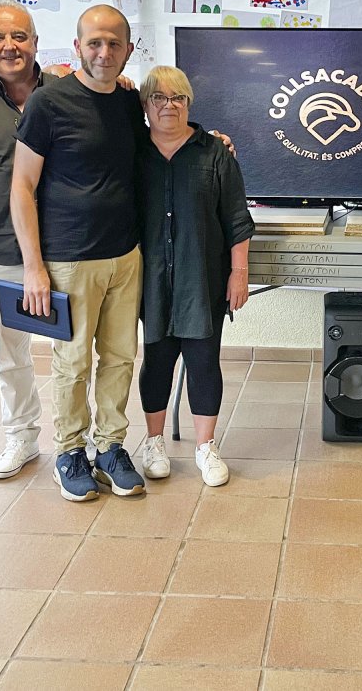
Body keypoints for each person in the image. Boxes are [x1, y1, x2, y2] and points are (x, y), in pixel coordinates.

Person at [11, 4, 147, 503]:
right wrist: (34, 267)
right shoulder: (49, 103)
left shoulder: (131, 104)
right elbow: (21, 187)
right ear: (77, 48)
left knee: (118, 358)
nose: (104, 52)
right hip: (68, 259)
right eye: (94, 42)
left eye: (114, 43)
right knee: (72, 363)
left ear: (129, 50)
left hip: (126, 256)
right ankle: (69, 452)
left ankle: (110, 446)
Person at [0, 1, 78, 480]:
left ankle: (75, 441)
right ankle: (21, 436)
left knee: (75, 351)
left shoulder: (69, 89)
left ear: (36, 42)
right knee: (10, 351)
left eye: (19, 36)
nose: (10, 47)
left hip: (66, 248)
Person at [136, 66, 255, 487]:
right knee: (156, 361)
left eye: (178, 98)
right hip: (148, 279)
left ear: (189, 103)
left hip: (202, 275)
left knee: (204, 361)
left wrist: (238, 273)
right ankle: (152, 442)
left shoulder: (215, 153)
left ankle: (206, 447)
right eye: (159, 98)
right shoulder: (131, 150)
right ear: (145, 104)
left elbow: (237, 220)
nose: (169, 106)